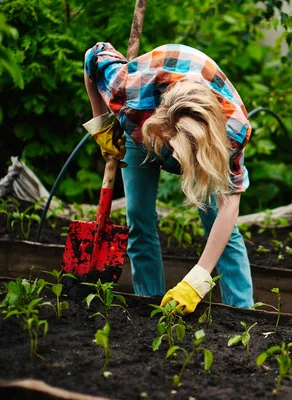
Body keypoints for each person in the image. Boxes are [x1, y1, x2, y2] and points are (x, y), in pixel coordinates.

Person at [83, 42, 253, 313]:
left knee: (221, 228)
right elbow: (93, 56)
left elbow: (230, 203)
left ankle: (244, 314)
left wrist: (198, 279)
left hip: (206, 148)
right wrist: (101, 124)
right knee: (138, 217)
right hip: (144, 127)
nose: (175, 162)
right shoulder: (128, 89)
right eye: (174, 151)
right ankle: (150, 304)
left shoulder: (232, 130)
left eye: (183, 157)